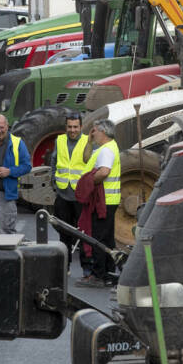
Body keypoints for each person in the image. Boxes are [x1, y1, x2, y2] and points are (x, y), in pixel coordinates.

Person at [76, 118, 120, 287]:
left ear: (103, 132)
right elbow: (88, 159)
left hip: (103, 201)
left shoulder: (106, 151)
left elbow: (104, 172)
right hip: (110, 200)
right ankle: (108, 273)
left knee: (98, 240)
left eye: (94, 131)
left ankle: (98, 276)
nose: (92, 134)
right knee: (107, 240)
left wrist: (88, 182)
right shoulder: (110, 147)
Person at [47, 112, 89, 271]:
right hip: (63, 194)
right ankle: (65, 266)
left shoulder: (87, 141)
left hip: (80, 195)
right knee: (63, 233)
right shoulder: (60, 140)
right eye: (70, 127)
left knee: (84, 234)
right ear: (66, 127)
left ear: (81, 127)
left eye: (75, 127)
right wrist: (54, 182)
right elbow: (54, 161)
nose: (72, 130)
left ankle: (87, 269)